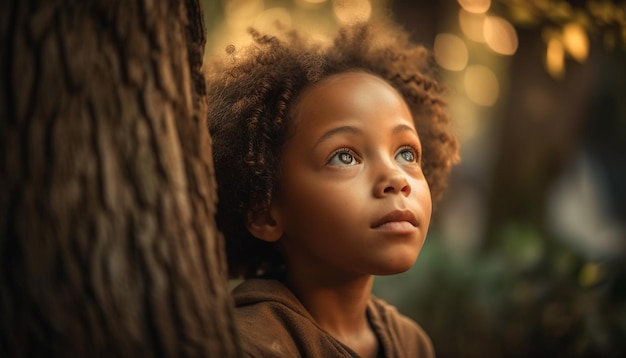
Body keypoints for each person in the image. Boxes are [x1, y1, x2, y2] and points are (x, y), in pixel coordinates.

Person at [206, 20, 459, 358]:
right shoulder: (246, 344)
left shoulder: (412, 343)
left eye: (406, 153)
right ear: (265, 211)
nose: (395, 178)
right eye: (344, 156)